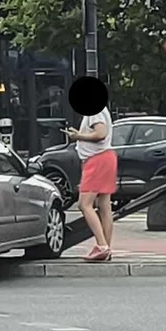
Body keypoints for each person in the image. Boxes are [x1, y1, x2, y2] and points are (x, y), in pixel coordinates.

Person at [66, 105, 117, 262]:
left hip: (96, 160)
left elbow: (100, 133)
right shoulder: (102, 110)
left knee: (84, 204)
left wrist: (78, 136)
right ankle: (106, 247)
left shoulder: (94, 111)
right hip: (106, 157)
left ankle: (101, 246)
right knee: (104, 205)